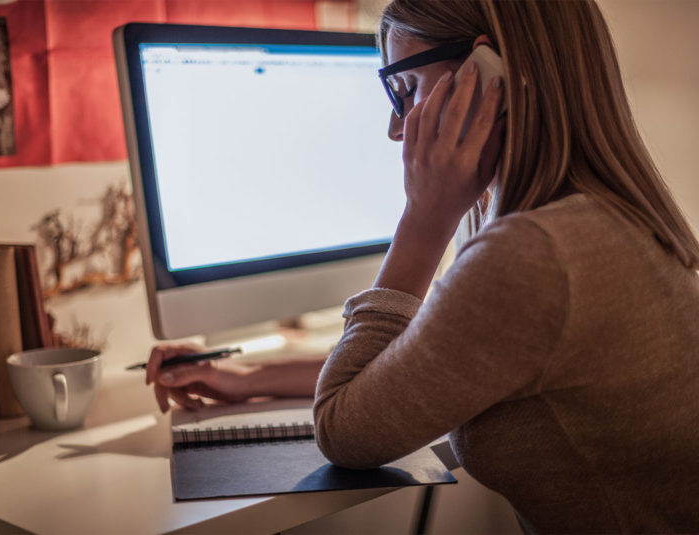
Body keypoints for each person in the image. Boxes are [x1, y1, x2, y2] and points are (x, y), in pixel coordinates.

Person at [146, 0, 699, 531]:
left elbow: (344, 430)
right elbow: (440, 355)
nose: (395, 128)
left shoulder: (534, 257)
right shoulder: (603, 222)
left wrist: (426, 215)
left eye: (405, 87)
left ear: (486, 76)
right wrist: (250, 379)